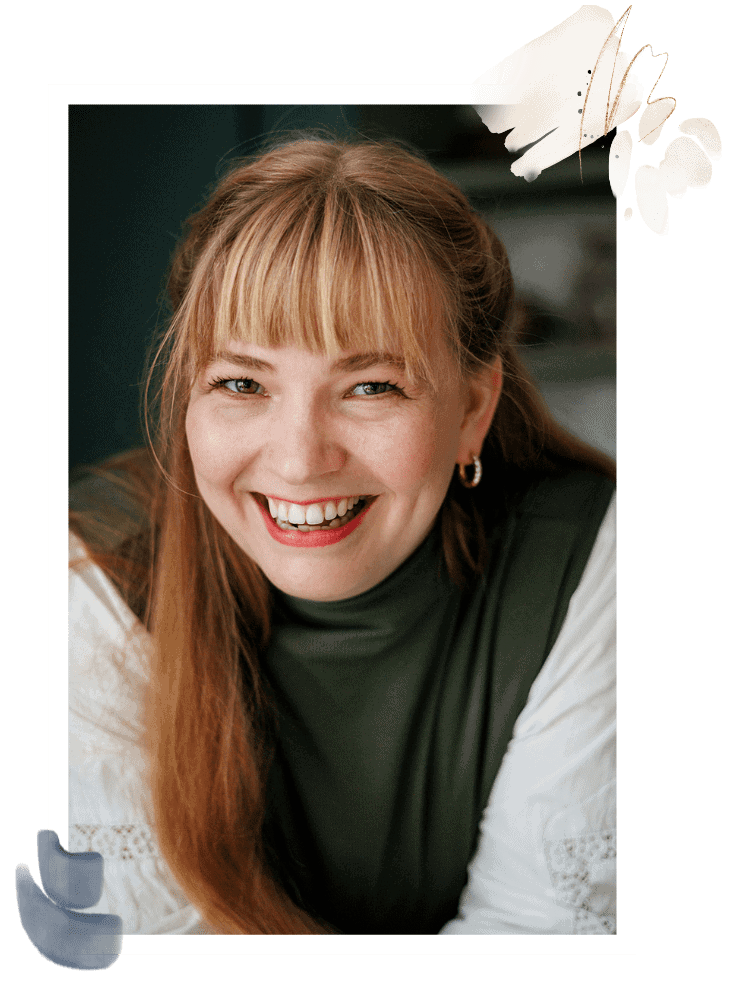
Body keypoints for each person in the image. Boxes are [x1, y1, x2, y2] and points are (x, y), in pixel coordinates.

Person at [69, 138, 617, 935]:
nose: (299, 461)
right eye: (242, 383)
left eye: (370, 387)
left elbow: (537, 947)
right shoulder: (90, 574)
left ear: (472, 409)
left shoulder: (588, 557)